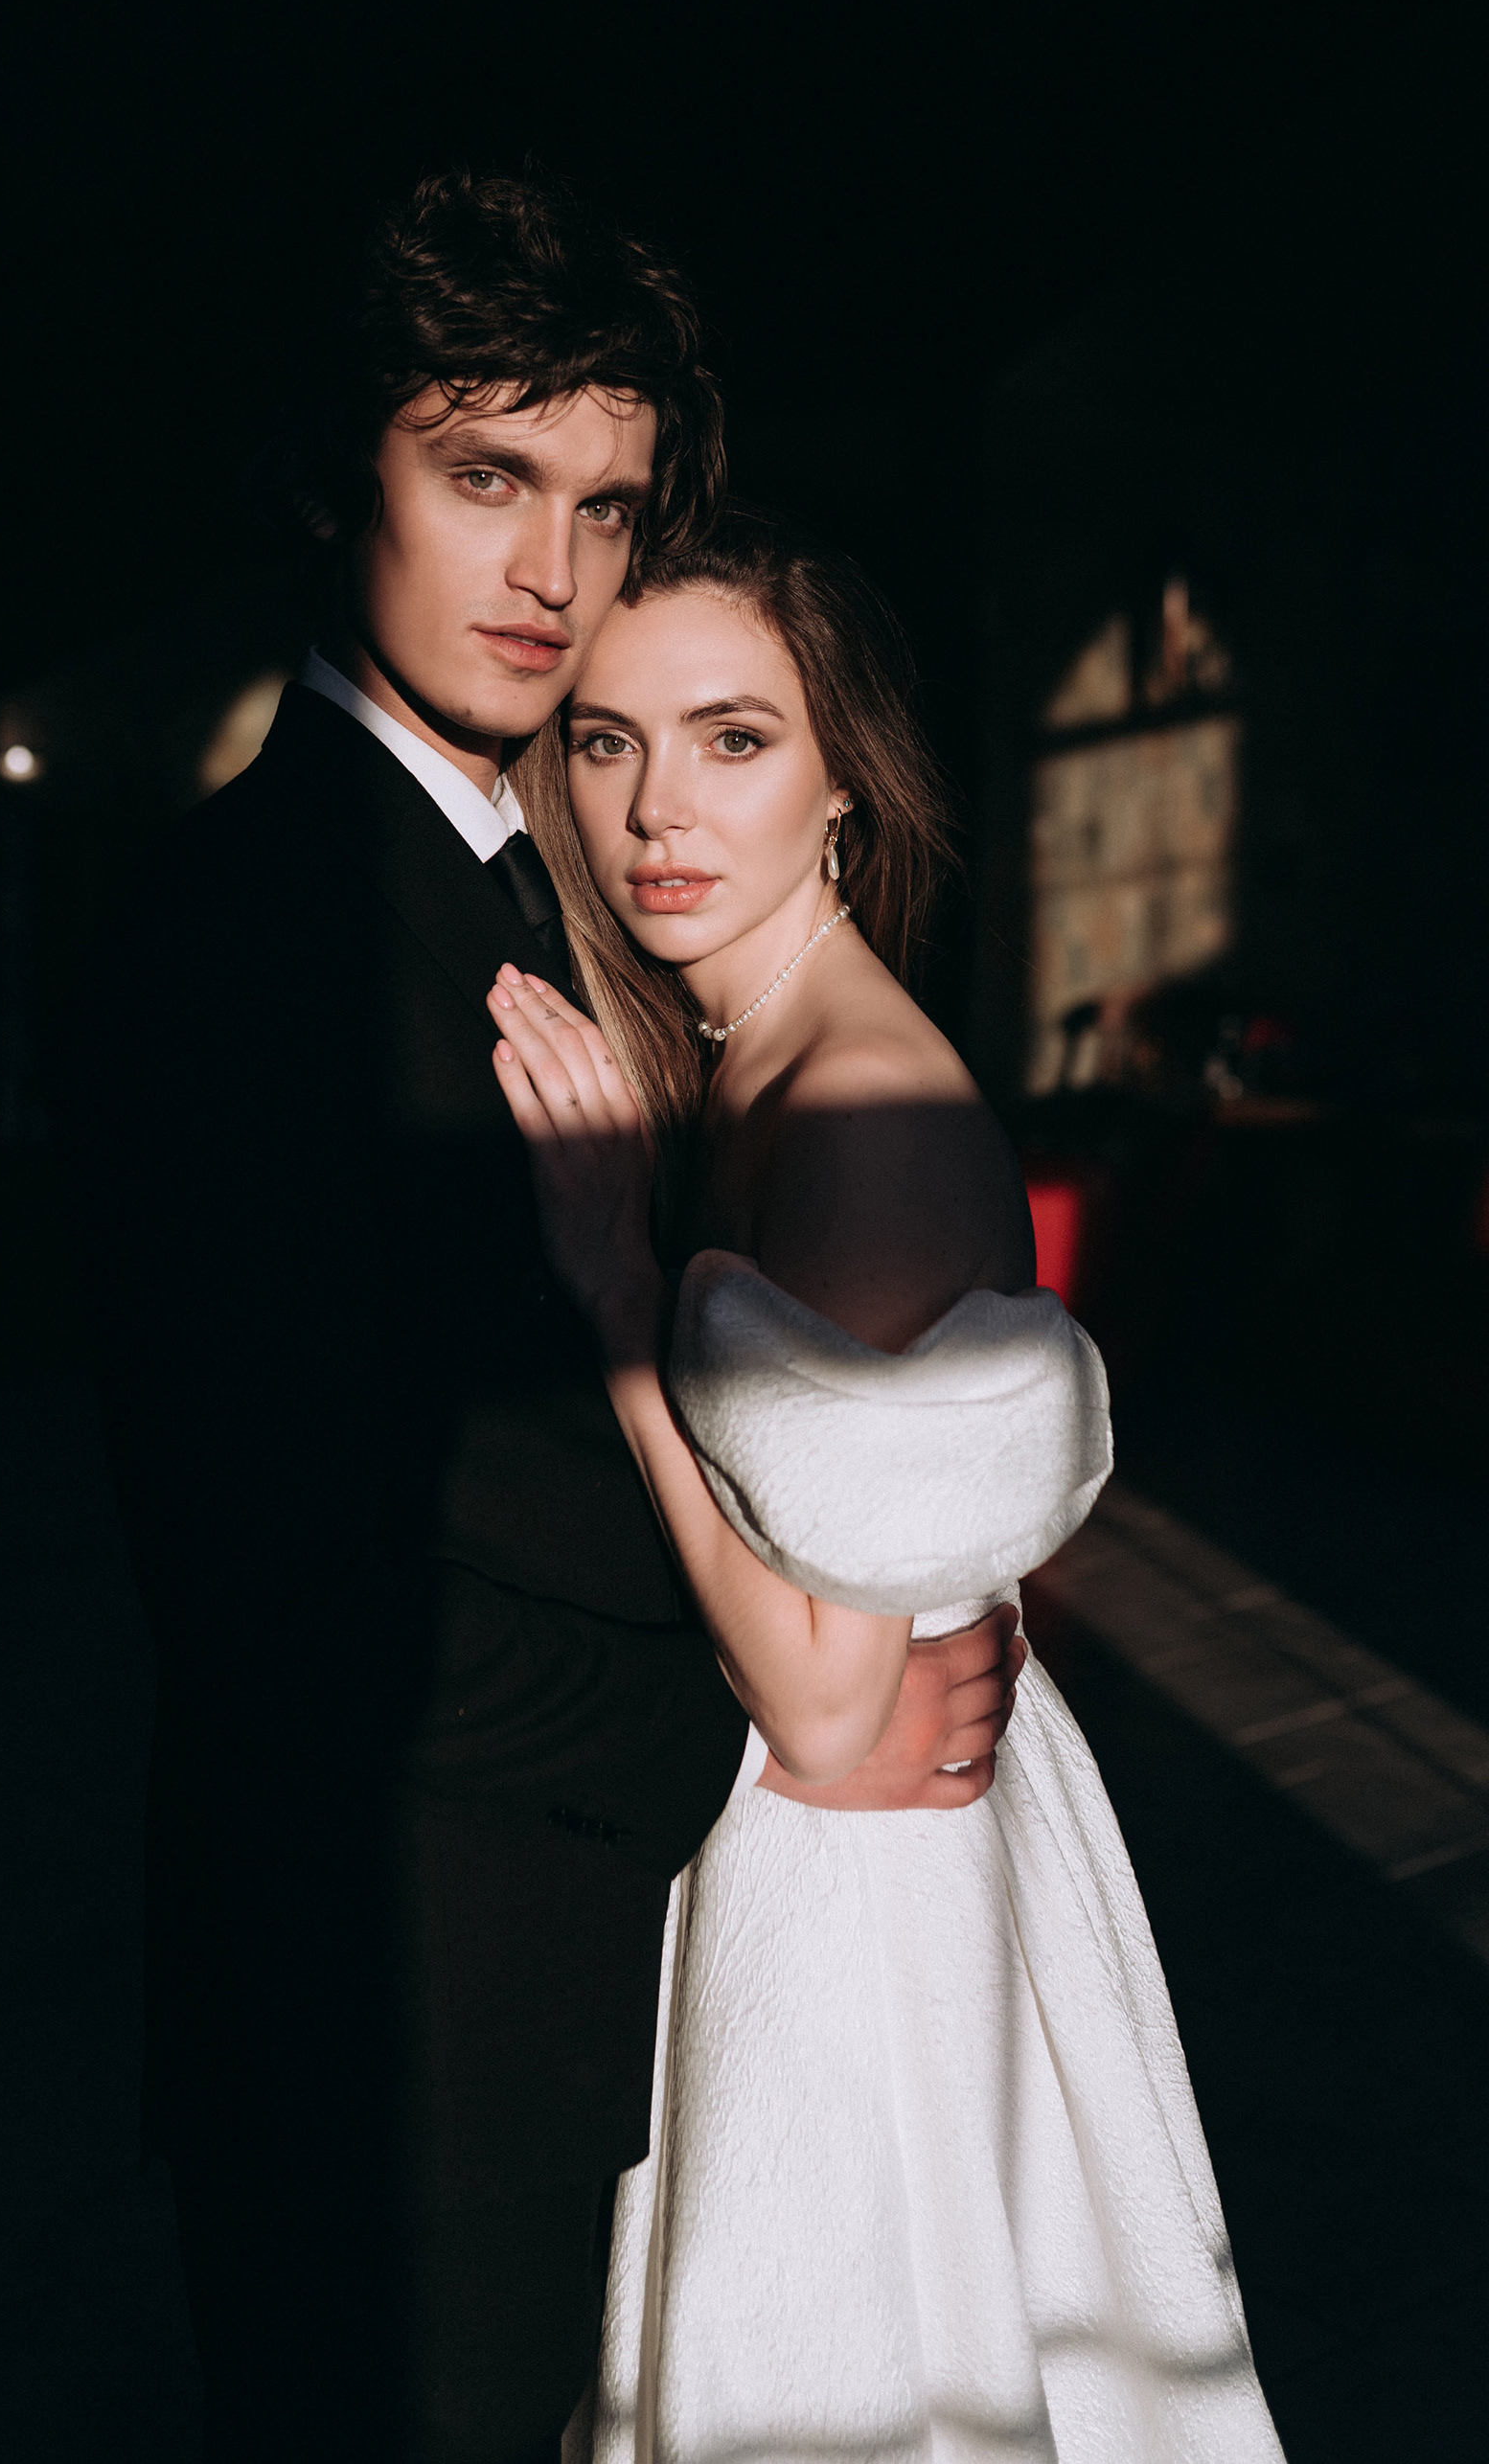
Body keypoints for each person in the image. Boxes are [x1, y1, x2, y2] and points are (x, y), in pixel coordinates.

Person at [58, 175, 1027, 2464]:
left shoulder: (559, 888)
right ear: (337, 476)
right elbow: (291, 1605)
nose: (552, 571)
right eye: (486, 476)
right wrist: (775, 1738)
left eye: (602, 505)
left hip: (557, 2003)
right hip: (392, 2044)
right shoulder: (239, 934)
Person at [488, 506, 1286, 2462]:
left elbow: (833, 1702)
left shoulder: (855, 1110)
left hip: (858, 1903)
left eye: (735, 738)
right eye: (607, 741)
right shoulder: (748, 1062)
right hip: (845, 1853)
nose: (657, 809)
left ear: (843, 781)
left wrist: (616, 1292)